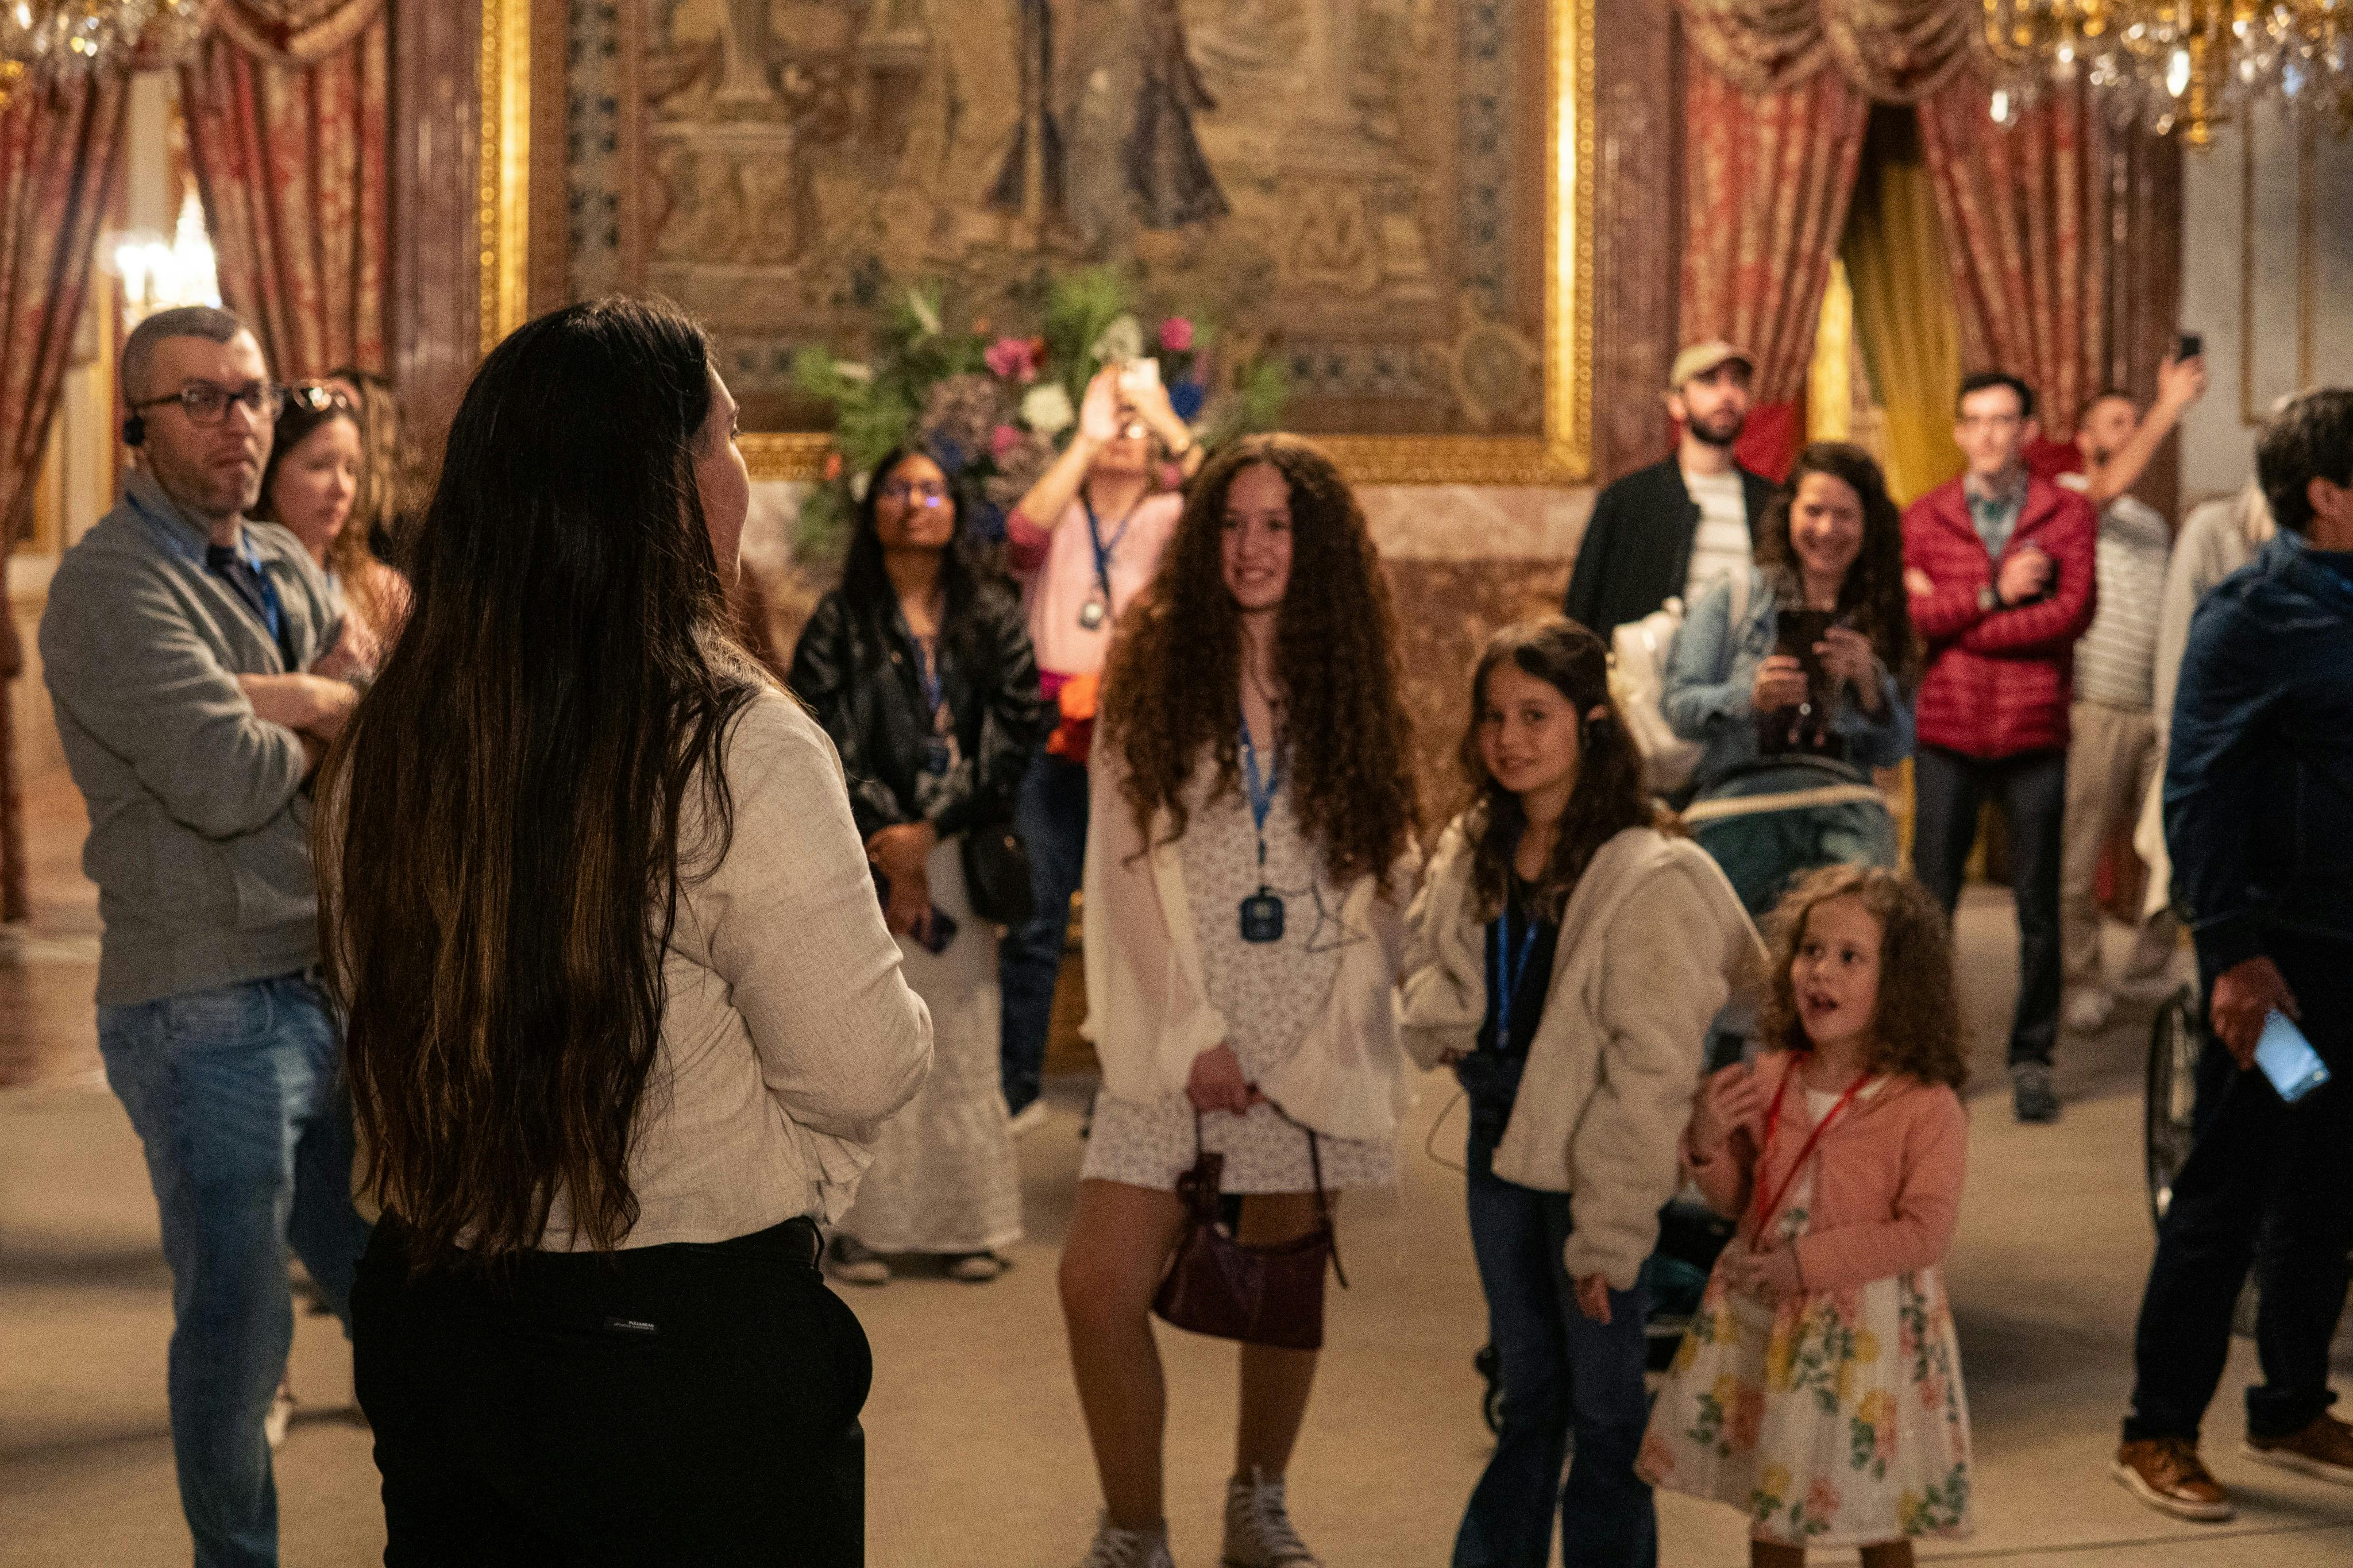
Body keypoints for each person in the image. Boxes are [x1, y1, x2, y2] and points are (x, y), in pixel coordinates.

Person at [327, 298, 933, 1565]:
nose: (742, 470)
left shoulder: (391, 733)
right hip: (671, 1348)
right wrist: (793, 1190)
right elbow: (864, 1065)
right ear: (664, 487)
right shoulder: (734, 744)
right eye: (726, 435)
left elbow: (366, 1002)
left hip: (434, 1314)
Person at [36, 304, 372, 1568]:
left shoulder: (283, 560)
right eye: (205, 400)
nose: (242, 423)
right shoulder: (110, 587)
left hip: (324, 977)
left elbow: (374, 703)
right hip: (203, 1007)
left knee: (393, 1292)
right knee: (240, 1338)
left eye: (252, 395)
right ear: (138, 427)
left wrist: (286, 698)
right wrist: (312, 698)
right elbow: (226, 781)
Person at [1058, 434, 1421, 1568]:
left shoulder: (1346, 678)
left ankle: (1255, 1504)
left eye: (1276, 525)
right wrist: (1193, 1033)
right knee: (1097, 1285)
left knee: (1282, 1287)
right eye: (1231, 523)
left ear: (1311, 545)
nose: (1252, 547)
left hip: (1309, 1023)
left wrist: (1340, 1029)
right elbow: (1120, 862)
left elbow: (1380, 862)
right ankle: (1134, 1526)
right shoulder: (1157, 664)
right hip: (1186, 1022)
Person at [1400, 617, 1763, 1568]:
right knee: (1529, 1395)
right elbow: (1428, 950)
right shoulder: (1478, 840)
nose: (1509, 740)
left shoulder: (1650, 873)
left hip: (1597, 1146)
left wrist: (1608, 1235)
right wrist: (1443, 1019)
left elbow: (1650, 1078)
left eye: (1535, 716)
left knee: (1604, 1408)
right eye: (1493, 718)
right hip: (1495, 1134)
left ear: (1592, 725)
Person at [2111, 388, 2353, 1521]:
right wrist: (2230, 956)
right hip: (2281, 970)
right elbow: (2196, 787)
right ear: (2328, 495)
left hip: (2351, 964)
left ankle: (2290, 1404)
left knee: (2326, 1180)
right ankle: (2155, 1429)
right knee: (2230, 1182)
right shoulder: (2251, 617)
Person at [1641, 866, 1974, 1567]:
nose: (1819, 971)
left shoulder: (1925, 1104)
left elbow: (1923, 1234)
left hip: (1870, 1336)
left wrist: (1805, 1266)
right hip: (1773, 1327)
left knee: (1878, 1511)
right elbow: (1745, 1205)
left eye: (1850, 958)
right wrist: (1705, 1143)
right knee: (1775, 1507)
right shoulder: (1772, 1078)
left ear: (1902, 983)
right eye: (1810, 951)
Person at [790, 446, 1052, 1285]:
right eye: (898, 489)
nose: (915, 504)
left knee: (964, 1033)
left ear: (955, 508)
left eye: (931, 489)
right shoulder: (841, 618)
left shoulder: (995, 617)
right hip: (865, 853)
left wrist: (931, 831)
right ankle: (861, 1227)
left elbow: (1016, 732)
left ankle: (962, 1224)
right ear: (874, 509)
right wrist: (890, 838)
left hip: (963, 854)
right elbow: (819, 732)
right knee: (868, 1031)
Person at [999, 365, 1202, 1131]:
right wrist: (1085, 440)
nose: (1124, 430)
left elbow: (1227, 494)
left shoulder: (1174, 514)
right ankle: (1014, 1086)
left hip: (1140, 730)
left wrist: (1166, 416)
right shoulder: (1064, 506)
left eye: (1135, 422)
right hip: (1052, 732)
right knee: (1037, 914)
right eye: (1111, 417)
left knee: (1140, 916)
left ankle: (1130, 1086)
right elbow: (1021, 538)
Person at [1901, 370, 2097, 1124]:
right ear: (1957, 431)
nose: (1988, 433)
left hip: (2033, 727)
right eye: (1975, 420)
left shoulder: (2067, 513)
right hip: (1947, 727)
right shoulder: (1924, 517)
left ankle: (2031, 1056)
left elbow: (2071, 615)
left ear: (2028, 430)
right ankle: (1929, 1052)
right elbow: (1915, 621)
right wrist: (1994, 592)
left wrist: (1963, 623)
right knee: (1930, 901)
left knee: (2038, 906)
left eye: (2003, 419)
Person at [1661, 442, 1918, 914]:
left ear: (1868, 525)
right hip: (1739, 800)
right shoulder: (1733, 596)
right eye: (1814, 511)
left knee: (1864, 917)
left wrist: (1868, 683)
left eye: (1844, 515)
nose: (1826, 529)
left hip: (1843, 802)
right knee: (1703, 930)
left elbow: (1896, 747)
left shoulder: (1882, 615)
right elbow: (1679, 706)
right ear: (1789, 514)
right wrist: (1749, 696)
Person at [2054, 365, 2206, 1032]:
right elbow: (2107, 486)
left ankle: (2146, 966)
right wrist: (2166, 408)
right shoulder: (2066, 496)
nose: (2131, 432)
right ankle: (2079, 977)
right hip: (2098, 704)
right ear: (2083, 439)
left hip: (2160, 707)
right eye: (2116, 424)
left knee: (2173, 845)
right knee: (2079, 854)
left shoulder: (2150, 523)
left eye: (2134, 421)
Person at [1564, 341, 1775, 638]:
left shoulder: (1771, 502)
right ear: (1677, 403)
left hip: (1748, 676)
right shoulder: (1631, 500)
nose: (1726, 394)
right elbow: (1583, 608)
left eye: (1737, 382)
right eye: (1709, 381)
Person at [253, 381, 410, 663]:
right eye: (320, 466)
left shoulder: (382, 590)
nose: (342, 488)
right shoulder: (246, 584)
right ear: (269, 474)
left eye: (351, 470)